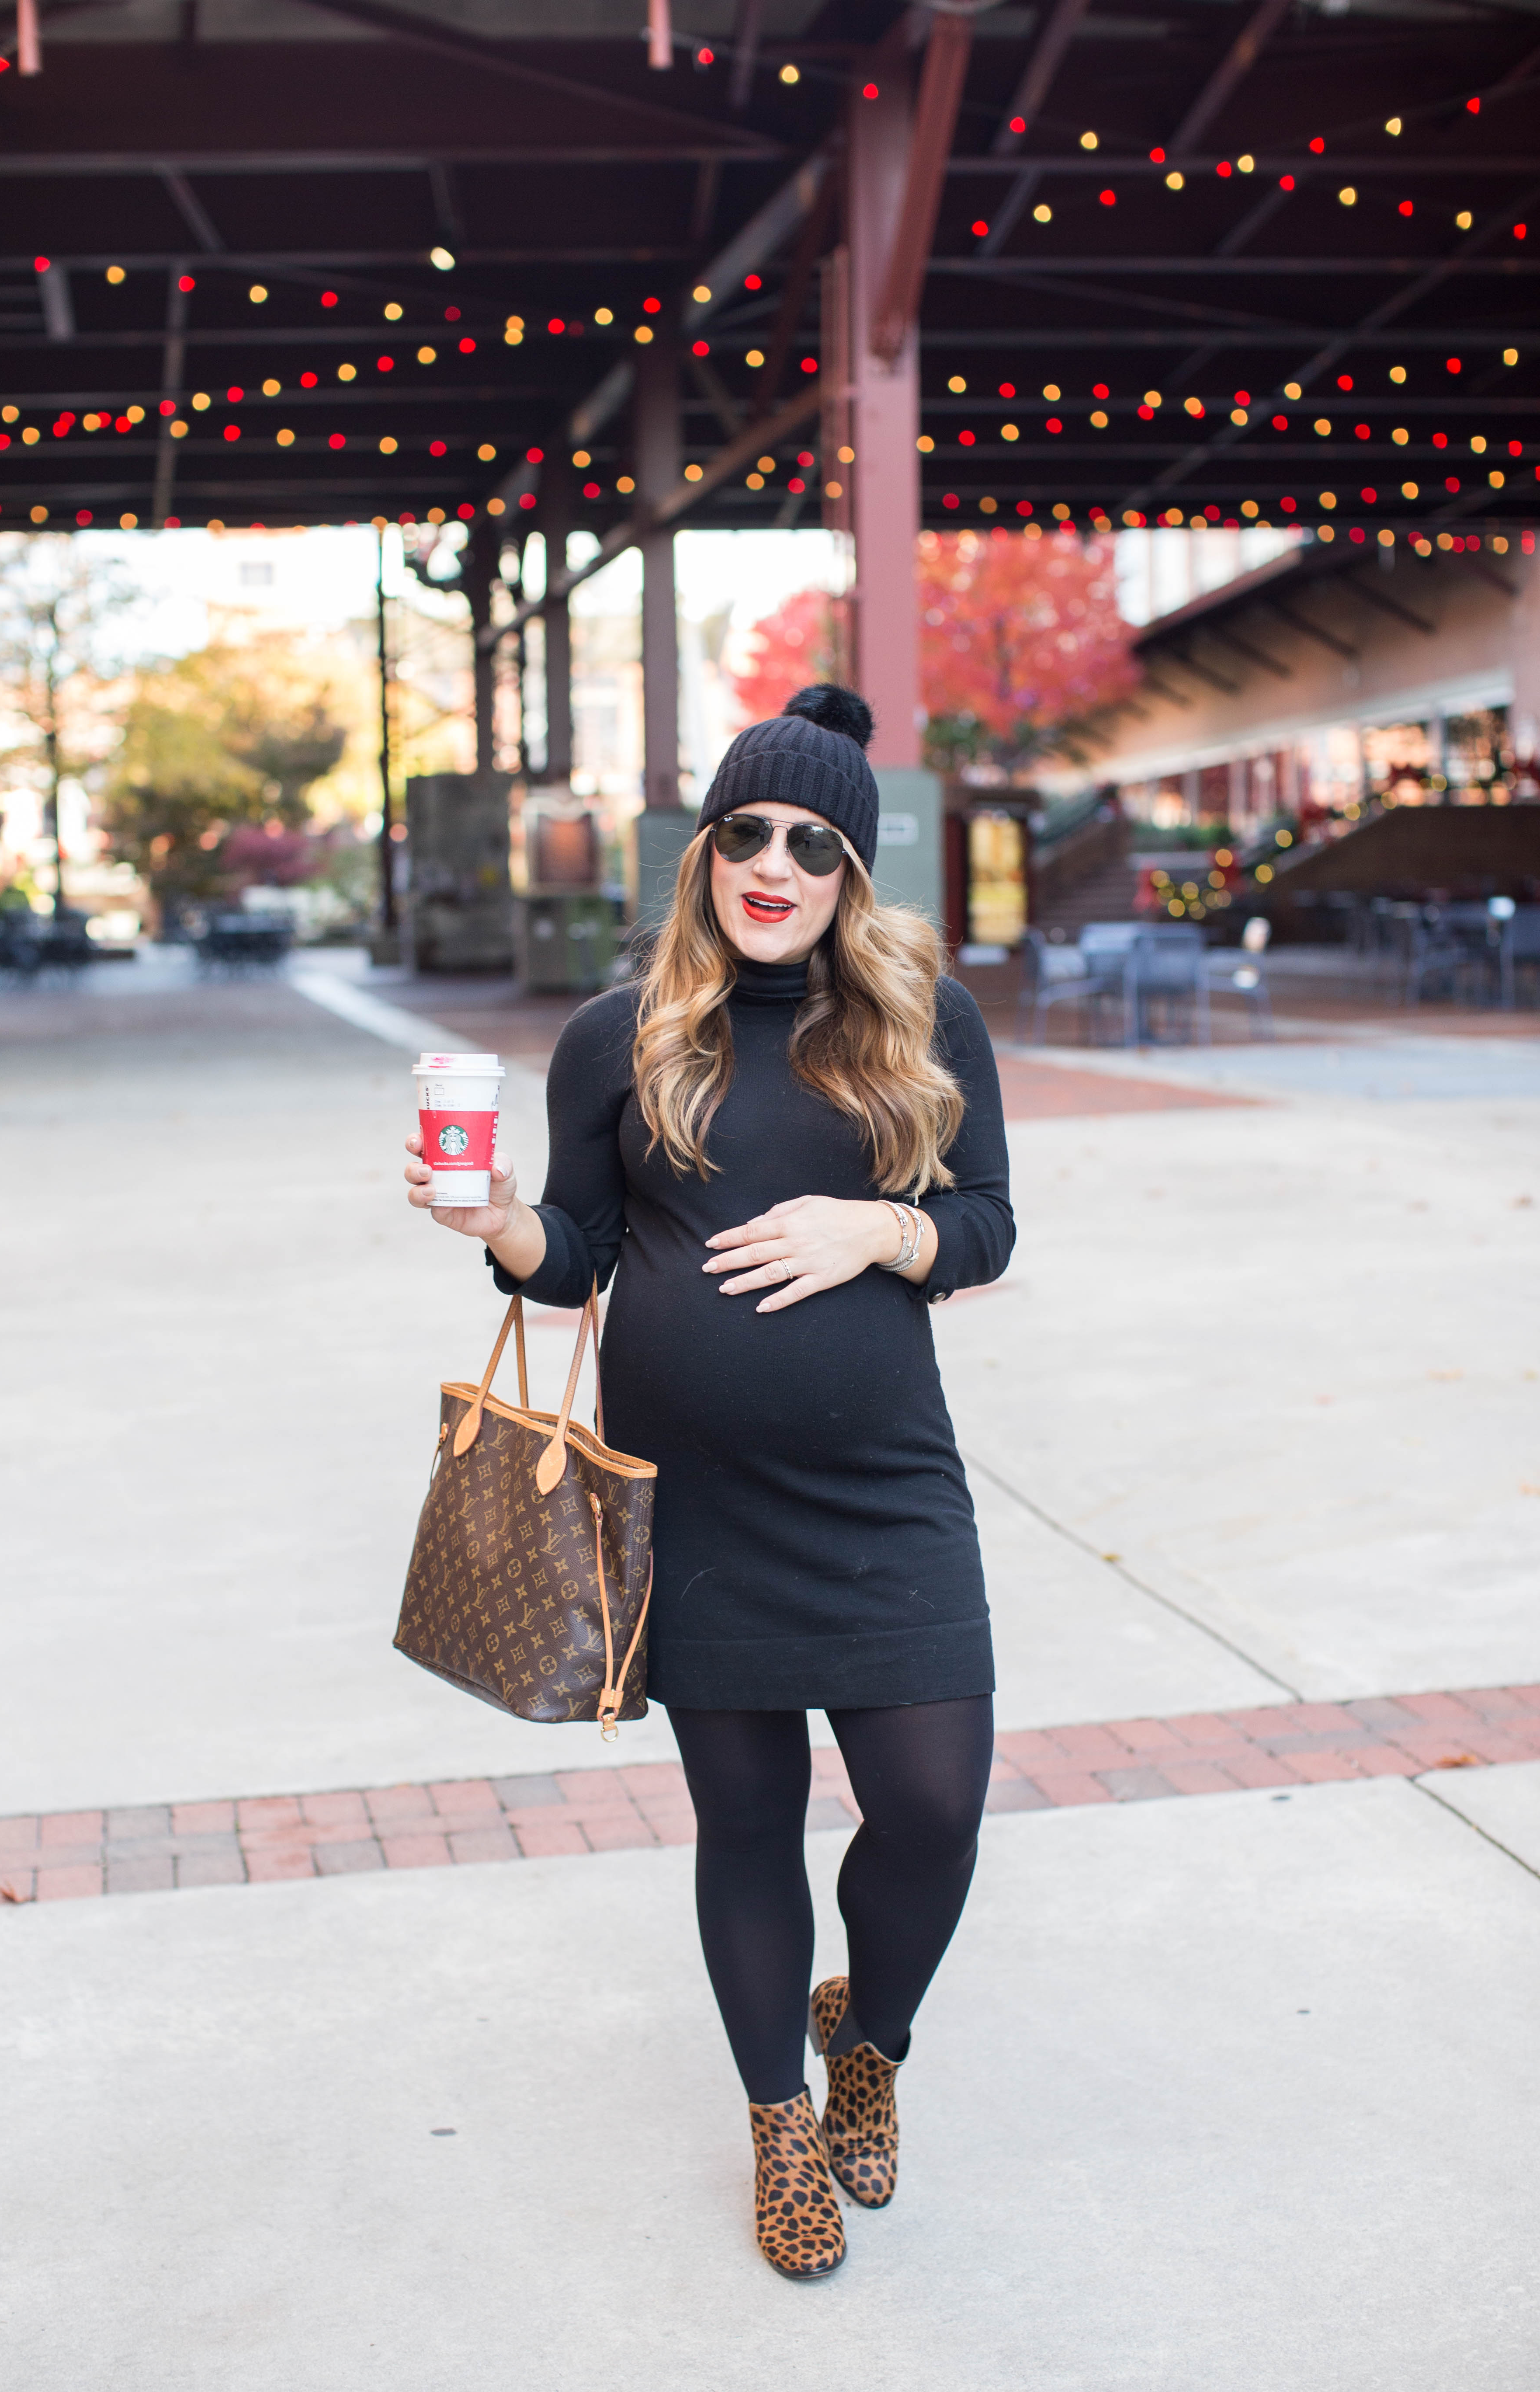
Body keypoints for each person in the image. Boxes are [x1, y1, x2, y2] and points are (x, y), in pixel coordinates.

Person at [405, 685, 1015, 2281]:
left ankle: (867, 2041)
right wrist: (494, 1231)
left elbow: (990, 1226)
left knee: (935, 1811)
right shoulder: (621, 1038)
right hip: (696, 1512)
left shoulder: (923, 1024)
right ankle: (777, 2122)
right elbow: (578, 1256)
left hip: (888, 1499)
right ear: (706, 851)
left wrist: (878, 1229)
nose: (774, 863)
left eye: (813, 844)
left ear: (849, 875)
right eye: (746, 831)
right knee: (745, 1824)